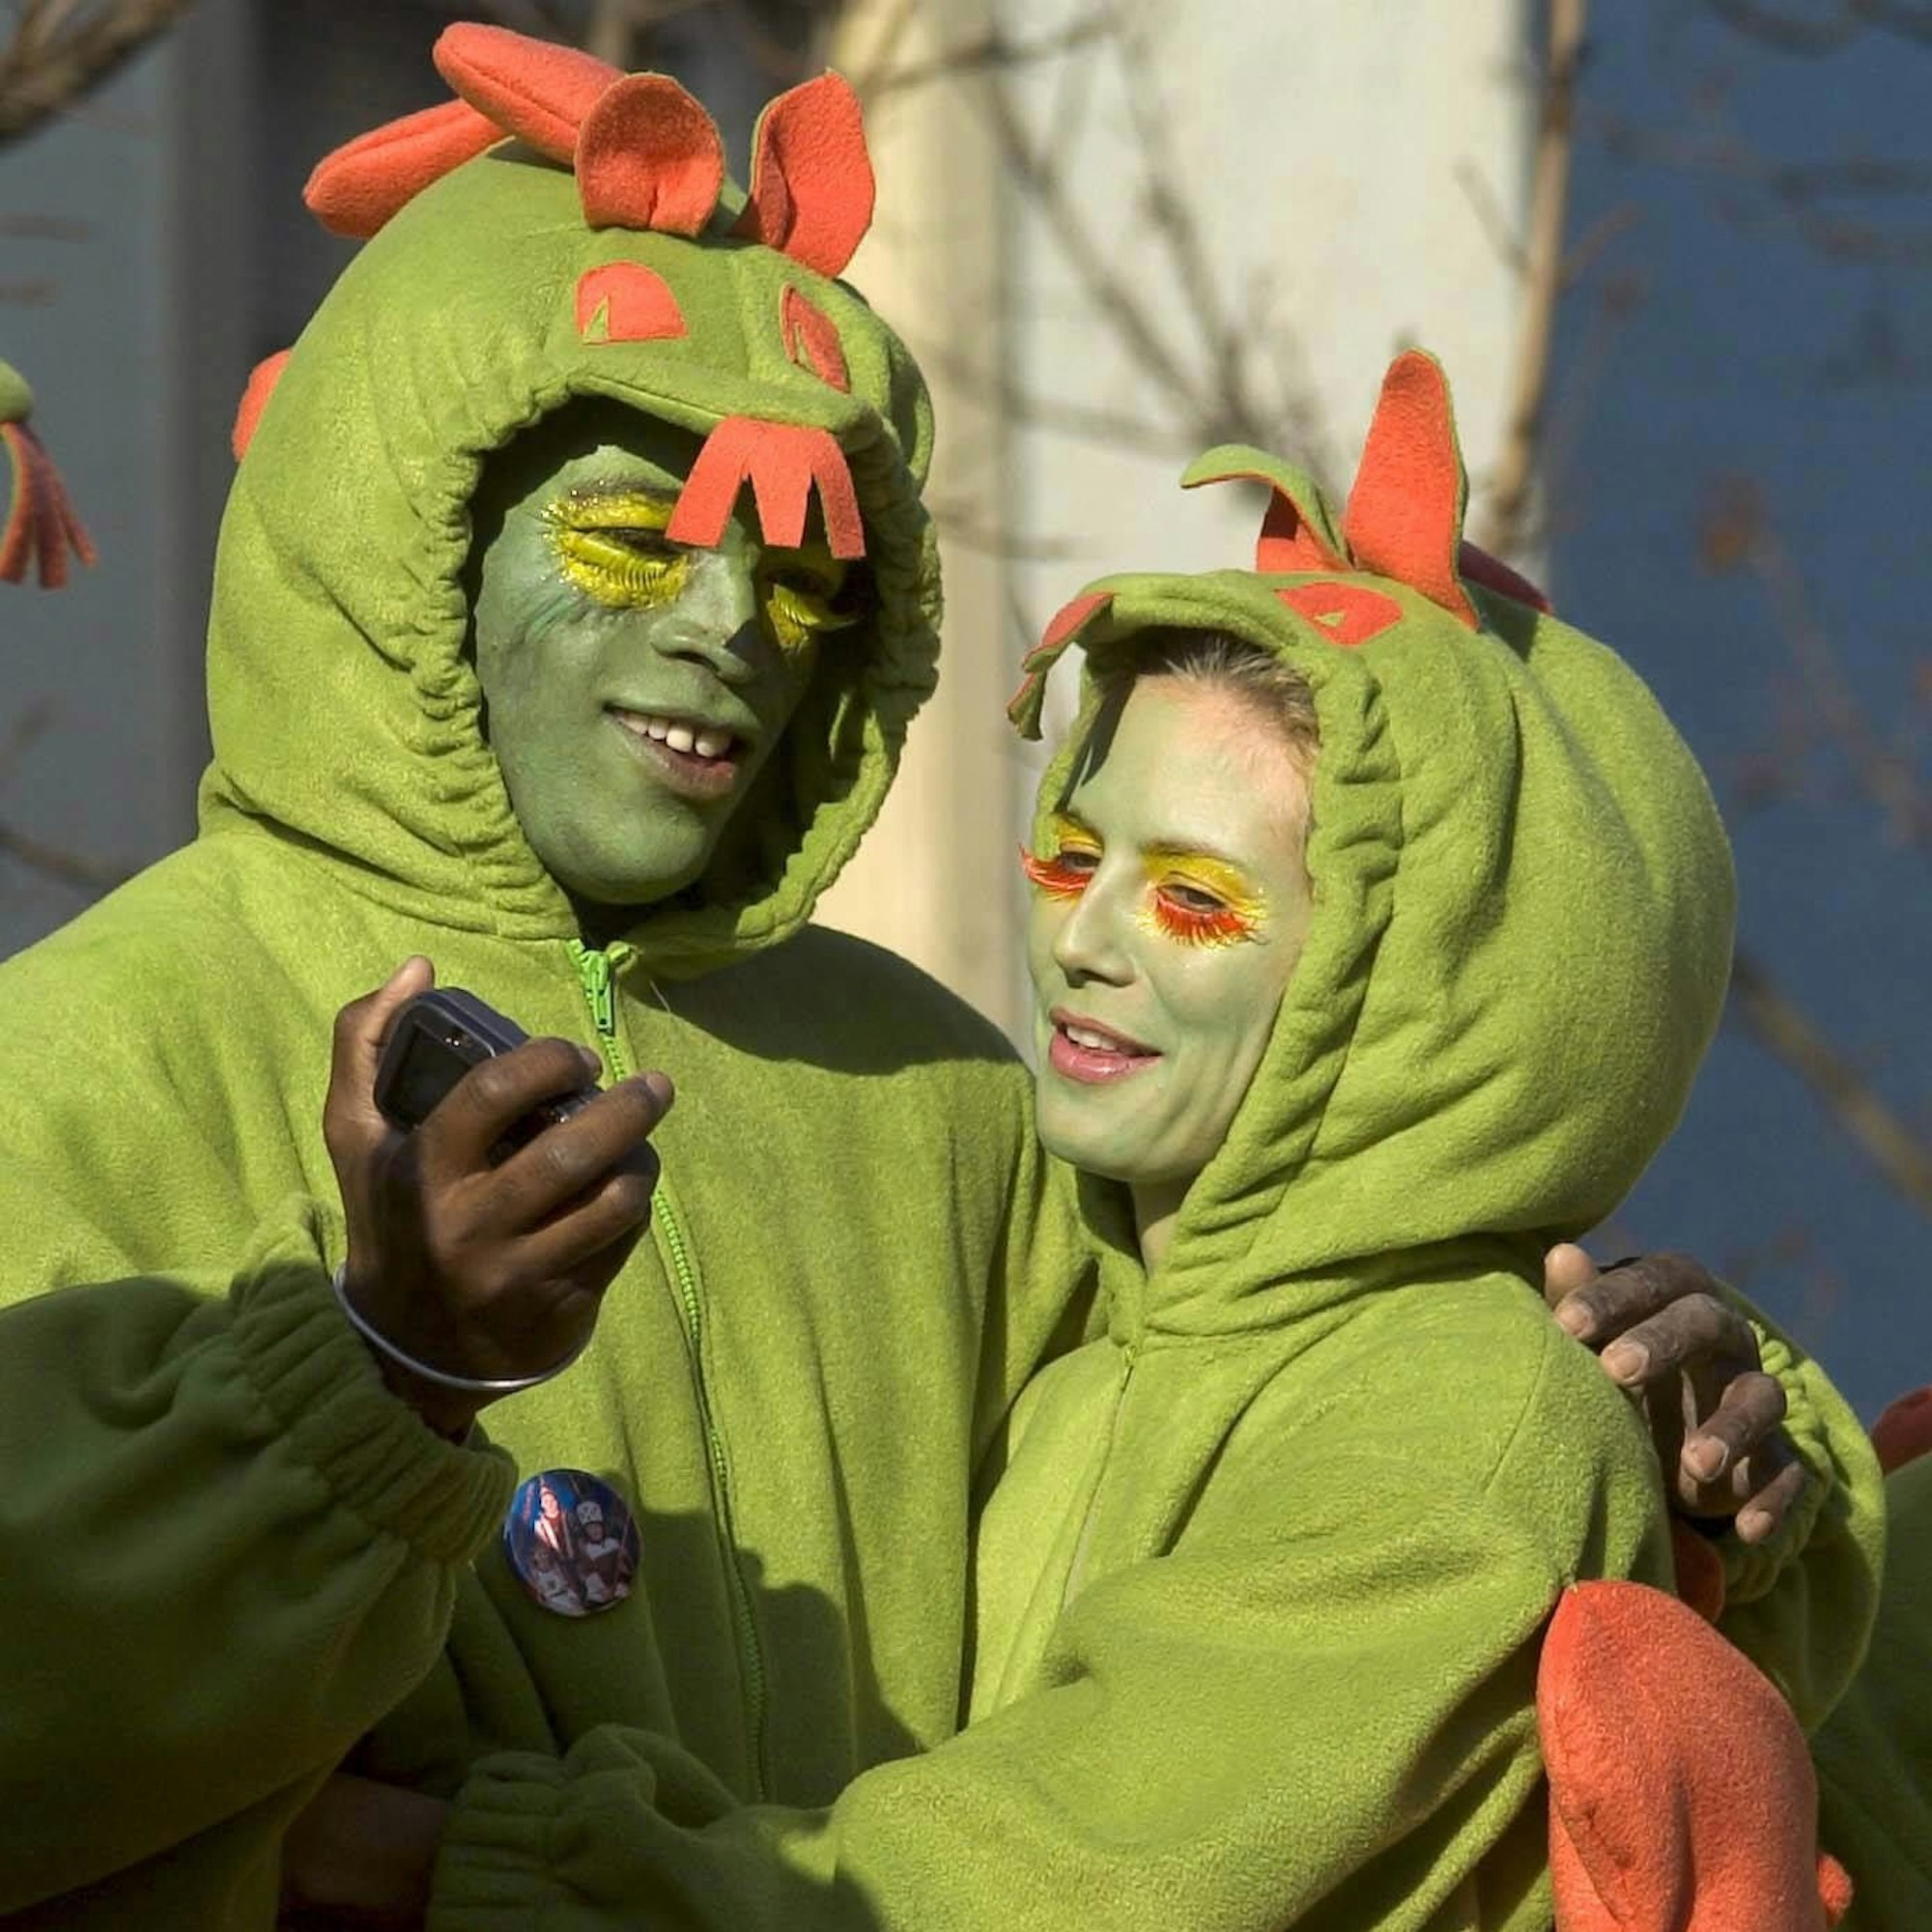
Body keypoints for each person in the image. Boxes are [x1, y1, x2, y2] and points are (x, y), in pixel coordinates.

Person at [0, 29, 1874, 1927]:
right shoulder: (90, 1060)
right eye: (633, 540)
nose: (732, 631)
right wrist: (374, 1376)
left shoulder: (936, 1087)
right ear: (403, 531)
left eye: (806, 575)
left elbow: (1269, 1411)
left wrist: (1703, 1453)